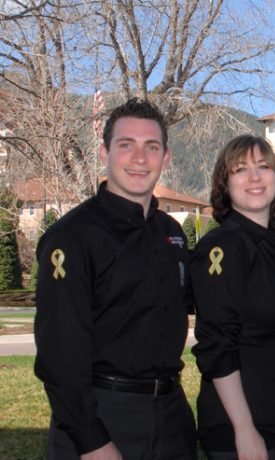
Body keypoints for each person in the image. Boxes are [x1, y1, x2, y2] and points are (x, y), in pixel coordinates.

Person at [34, 98, 197, 459]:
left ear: (166, 157)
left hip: (171, 416)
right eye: (126, 145)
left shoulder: (171, 234)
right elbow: (60, 355)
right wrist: (91, 440)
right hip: (101, 416)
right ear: (104, 152)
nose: (140, 158)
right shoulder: (72, 238)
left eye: (151, 146)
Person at [190, 135, 275, 460]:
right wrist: (244, 429)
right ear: (225, 184)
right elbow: (217, 345)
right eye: (240, 169)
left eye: (263, 167)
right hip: (242, 431)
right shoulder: (222, 248)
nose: (254, 177)